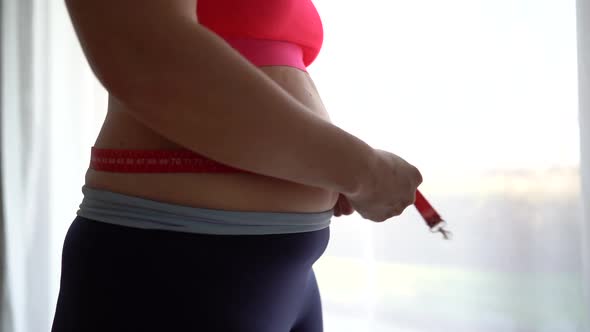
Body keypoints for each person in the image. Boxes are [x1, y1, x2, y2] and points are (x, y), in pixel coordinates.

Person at [50, 0, 423, 331]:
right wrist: (363, 172)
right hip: (174, 266)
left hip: (285, 274)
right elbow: (143, 56)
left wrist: (324, 165)